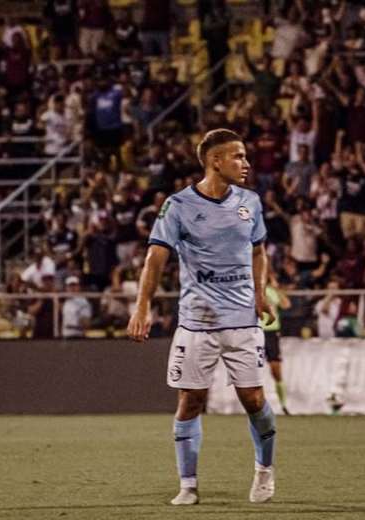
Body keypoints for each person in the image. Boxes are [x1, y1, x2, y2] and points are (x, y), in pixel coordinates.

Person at [127, 129, 278, 506]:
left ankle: (264, 471)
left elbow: (259, 251)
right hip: (197, 321)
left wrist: (260, 293)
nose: (246, 164)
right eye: (238, 157)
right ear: (215, 161)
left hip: (243, 320)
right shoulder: (177, 206)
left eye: (245, 157)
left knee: (253, 399)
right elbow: (155, 258)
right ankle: (188, 485)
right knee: (191, 401)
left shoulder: (250, 202)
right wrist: (142, 306)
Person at [260, 269, 292, 415]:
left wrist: (276, 287)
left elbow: (286, 304)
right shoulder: (253, 290)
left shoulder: (272, 291)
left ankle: (283, 404)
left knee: (276, 370)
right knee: (252, 371)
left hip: (272, 333)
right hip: (256, 331)